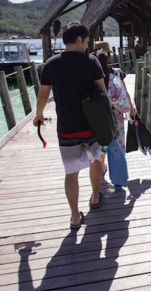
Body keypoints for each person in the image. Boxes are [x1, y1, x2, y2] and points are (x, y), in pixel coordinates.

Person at [33, 22, 107, 230]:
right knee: (95, 162)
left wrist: (39, 115)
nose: (86, 45)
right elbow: (102, 92)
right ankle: (94, 198)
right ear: (78, 40)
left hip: (67, 128)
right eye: (86, 41)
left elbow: (43, 94)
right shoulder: (91, 61)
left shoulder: (50, 64)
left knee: (71, 173)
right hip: (92, 126)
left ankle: (75, 217)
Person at [93, 41, 137, 189]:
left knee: (101, 145)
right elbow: (125, 93)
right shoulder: (117, 72)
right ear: (108, 58)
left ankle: (102, 170)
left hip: (99, 116)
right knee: (119, 145)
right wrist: (131, 106)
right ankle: (118, 181)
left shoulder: (91, 75)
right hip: (117, 115)